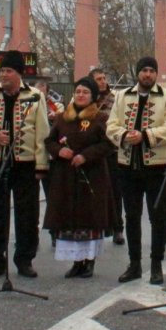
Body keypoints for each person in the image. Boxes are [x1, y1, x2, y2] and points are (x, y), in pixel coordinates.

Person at [0, 49, 50, 279]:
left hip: (25, 164)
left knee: (27, 214)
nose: (3, 75)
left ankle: (24, 259)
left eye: (8, 71)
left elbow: (42, 133)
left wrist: (41, 166)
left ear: (19, 74)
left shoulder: (34, 96)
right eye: (2, 70)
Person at [106, 56, 166, 285]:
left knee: (158, 217)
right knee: (132, 216)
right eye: (144, 70)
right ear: (137, 73)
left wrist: (146, 136)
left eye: (151, 71)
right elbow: (111, 125)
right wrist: (124, 136)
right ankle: (134, 263)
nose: (147, 74)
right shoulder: (122, 96)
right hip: (128, 165)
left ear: (156, 74)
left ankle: (156, 264)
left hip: (156, 167)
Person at [44, 76, 116, 279]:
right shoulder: (62, 118)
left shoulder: (100, 118)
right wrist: (59, 151)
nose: (81, 95)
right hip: (65, 177)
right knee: (69, 219)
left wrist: (85, 156)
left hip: (91, 176)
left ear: (92, 96)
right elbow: (49, 141)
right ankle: (76, 262)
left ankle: (89, 261)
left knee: (89, 219)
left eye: (85, 92)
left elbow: (108, 144)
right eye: (78, 92)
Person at [92, 68, 125, 246]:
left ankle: (118, 228)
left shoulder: (116, 98)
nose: (103, 81)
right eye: (98, 79)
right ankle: (98, 227)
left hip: (111, 150)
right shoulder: (88, 98)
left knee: (115, 191)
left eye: (104, 78)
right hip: (92, 151)